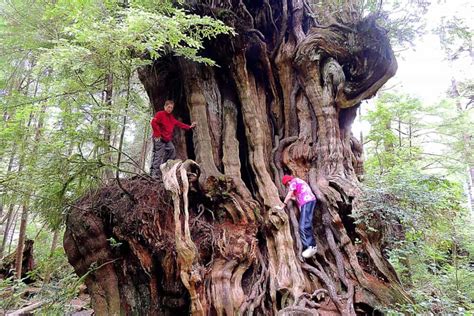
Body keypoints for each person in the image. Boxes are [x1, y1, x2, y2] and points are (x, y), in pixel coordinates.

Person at [150, 100, 196, 179]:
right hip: (159, 139)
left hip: (167, 140)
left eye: (171, 108)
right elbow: (153, 122)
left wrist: (189, 127)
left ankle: (164, 168)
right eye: (168, 107)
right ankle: (154, 174)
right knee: (158, 156)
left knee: (172, 151)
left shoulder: (171, 117)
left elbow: (179, 124)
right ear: (165, 107)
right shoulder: (160, 114)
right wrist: (157, 135)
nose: (170, 109)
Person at [282, 175, 318, 258]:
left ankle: (311, 246)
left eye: (288, 183)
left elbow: (289, 194)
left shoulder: (294, 181)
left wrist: (283, 205)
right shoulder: (298, 186)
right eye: (287, 184)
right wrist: (293, 198)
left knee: (303, 226)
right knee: (304, 224)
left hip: (307, 201)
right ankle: (308, 246)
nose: (288, 185)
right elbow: (298, 199)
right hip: (308, 201)